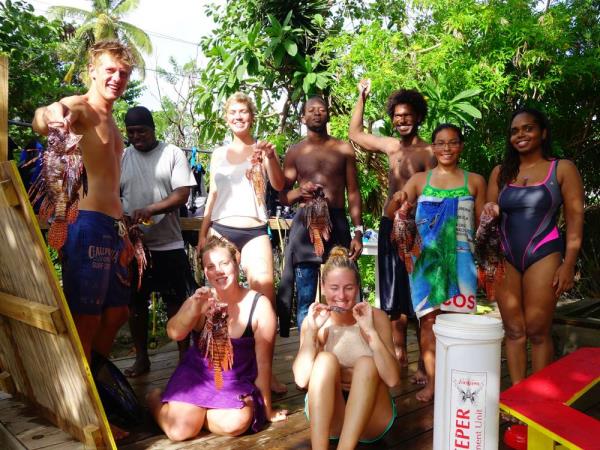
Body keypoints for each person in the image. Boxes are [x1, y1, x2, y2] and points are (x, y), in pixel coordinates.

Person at [32, 39, 135, 439]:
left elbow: (114, 186)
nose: (117, 78)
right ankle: (88, 412)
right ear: (92, 70)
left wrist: (125, 232)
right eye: (109, 70)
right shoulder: (81, 110)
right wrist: (50, 114)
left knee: (117, 314)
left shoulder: (114, 124)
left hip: (113, 227)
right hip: (85, 223)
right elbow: (46, 117)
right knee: (86, 320)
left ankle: (88, 388)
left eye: (123, 73)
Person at [147, 236, 288, 441]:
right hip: (197, 376)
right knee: (179, 432)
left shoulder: (260, 305)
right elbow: (174, 332)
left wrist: (267, 410)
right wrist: (194, 310)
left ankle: (196, 414)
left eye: (224, 263)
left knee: (237, 423)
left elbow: (264, 364)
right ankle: (155, 400)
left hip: (235, 381)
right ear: (205, 271)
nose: (219, 271)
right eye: (211, 266)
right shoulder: (201, 299)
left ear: (236, 261)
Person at [386, 124, 486, 402]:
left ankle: (457, 383)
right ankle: (433, 383)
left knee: (459, 324)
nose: (446, 148)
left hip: (462, 261)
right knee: (428, 322)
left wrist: (492, 211)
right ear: (433, 147)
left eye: (452, 143)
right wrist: (399, 201)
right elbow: (392, 212)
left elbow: (483, 226)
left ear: (461, 146)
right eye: (440, 143)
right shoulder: (419, 180)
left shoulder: (475, 180)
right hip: (426, 262)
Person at [485, 108, 583, 385]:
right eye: (515, 131)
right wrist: (488, 212)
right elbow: (488, 216)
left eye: (528, 128)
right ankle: (518, 398)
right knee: (514, 330)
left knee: (538, 330)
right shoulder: (500, 173)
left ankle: (536, 404)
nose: (521, 135)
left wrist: (569, 263)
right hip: (504, 256)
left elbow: (575, 219)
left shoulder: (562, 168)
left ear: (543, 133)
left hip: (544, 254)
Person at [197, 92, 286, 393]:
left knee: (265, 292)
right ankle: (219, 368)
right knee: (219, 300)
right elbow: (212, 196)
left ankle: (266, 372)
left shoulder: (261, 150)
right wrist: (202, 232)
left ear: (252, 116)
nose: (238, 117)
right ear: (226, 117)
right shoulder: (218, 154)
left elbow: (279, 184)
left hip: (255, 228)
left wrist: (271, 157)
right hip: (221, 228)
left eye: (244, 112)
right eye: (233, 112)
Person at [349, 81, 435, 377]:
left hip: (418, 228)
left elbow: (440, 189)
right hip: (390, 225)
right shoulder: (391, 146)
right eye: (397, 116)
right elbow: (355, 134)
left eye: (408, 115)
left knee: (421, 294)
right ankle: (399, 357)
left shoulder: (430, 152)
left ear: (418, 117)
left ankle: (425, 364)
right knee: (394, 297)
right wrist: (361, 97)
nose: (402, 120)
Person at [292, 246, 400, 450]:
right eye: (334, 287)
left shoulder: (376, 317)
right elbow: (300, 379)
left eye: (348, 287)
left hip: (373, 415)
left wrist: (371, 333)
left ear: (357, 287)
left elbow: (393, 379)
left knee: (367, 364)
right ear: (323, 287)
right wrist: (312, 334)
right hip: (330, 413)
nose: (341, 295)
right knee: (324, 361)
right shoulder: (314, 320)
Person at [120, 106, 198, 377]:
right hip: (135, 246)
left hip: (169, 243)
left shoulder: (172, 153)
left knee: (176, 302)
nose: (136, 136)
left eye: (141, 130)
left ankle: (184, 359)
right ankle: (142, 358)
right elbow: (113, 195)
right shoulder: (122, 157)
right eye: (131, 132)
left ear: (153, 129)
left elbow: (182, 194)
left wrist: (151, 209)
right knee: (135, 304)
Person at [277, 96, 363, 337]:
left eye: (321, 109)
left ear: (328, 115)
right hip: (306, 224)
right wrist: (299, 191)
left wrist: (358, 230)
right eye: (311, 111)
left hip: (336, 221)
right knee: (306, 294)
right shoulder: (295, 152)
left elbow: (353, 192)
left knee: (344, 289)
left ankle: (345, 344)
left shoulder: (343, 148)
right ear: (303, 117)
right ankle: (308, 349)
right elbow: (283, 196)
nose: (316, 114)